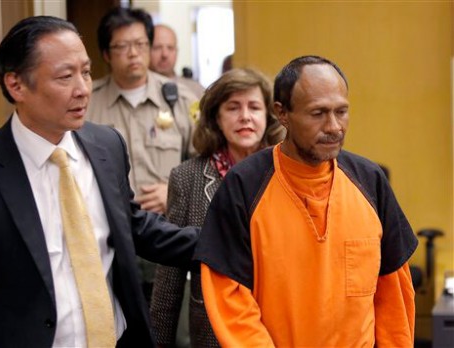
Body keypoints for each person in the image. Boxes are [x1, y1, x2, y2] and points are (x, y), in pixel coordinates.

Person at [0, 16, 199, 348]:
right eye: (65, 77)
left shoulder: (106, 146)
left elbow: (132, 226)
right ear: (16, 85)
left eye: (85, 72)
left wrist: (224, 243)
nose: (83, 89)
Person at [194, 55, 418, 347]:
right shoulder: (243, 187)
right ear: (282, 113)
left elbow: (393, 296)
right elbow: (230, 299)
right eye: (318, 113)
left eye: (342, 111)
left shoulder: (370, 181)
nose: (334, 126)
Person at [150, 68, 285, 348]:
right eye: (233, 107)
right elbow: (169, 277)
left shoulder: (287, 173)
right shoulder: (187, 177)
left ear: (269, 117)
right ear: (216, 118)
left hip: (278, 328)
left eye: (254, 107)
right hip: (213, 331)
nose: (245, 116)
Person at [86, 7, 199, 303]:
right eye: (122, 47)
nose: (133, 53)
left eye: (140, 44)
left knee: (172, 326)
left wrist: (173, 192)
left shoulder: (182, 99)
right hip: (109, 234)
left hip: (168, 230)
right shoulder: (87, 104)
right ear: (107, 55)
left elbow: (204, 166)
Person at [150, 24, 205, 98]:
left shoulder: (195, 90)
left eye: (170, 48)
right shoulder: (136, 89)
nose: (165, 54)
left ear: (176, 51)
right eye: (157, 48)